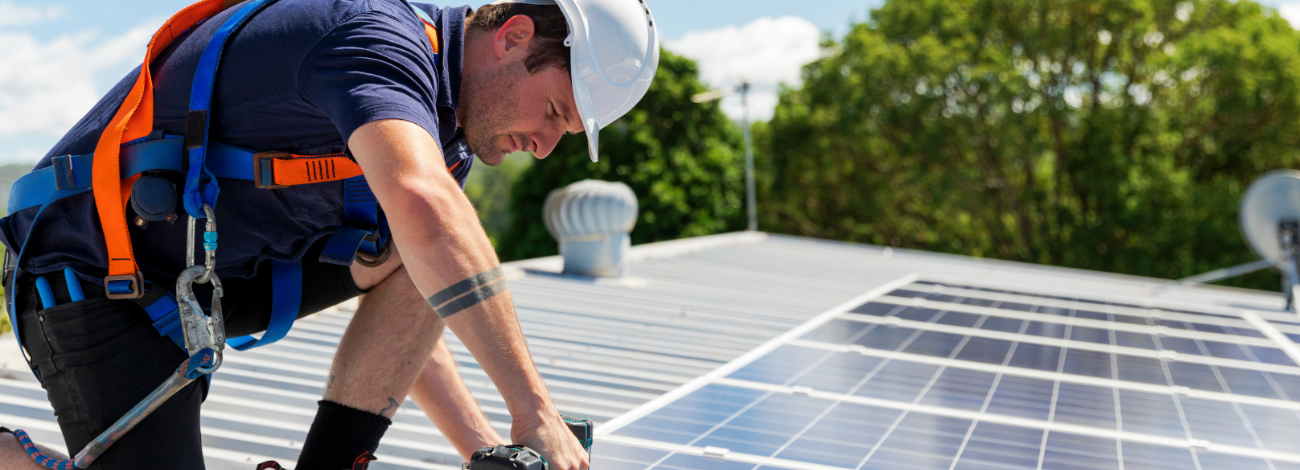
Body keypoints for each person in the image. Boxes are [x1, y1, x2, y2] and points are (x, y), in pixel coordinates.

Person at [0, 0, 658, 468]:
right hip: (89, 277)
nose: (543, 148)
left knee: (424, 251)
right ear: (513, 35)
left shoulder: (444, 136)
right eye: (551, 112)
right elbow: (429, 213)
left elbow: (425, 292)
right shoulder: (373, 36)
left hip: (195, 287)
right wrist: (536, 412)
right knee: (436, 229)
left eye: (563, 134)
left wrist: (486, 450)